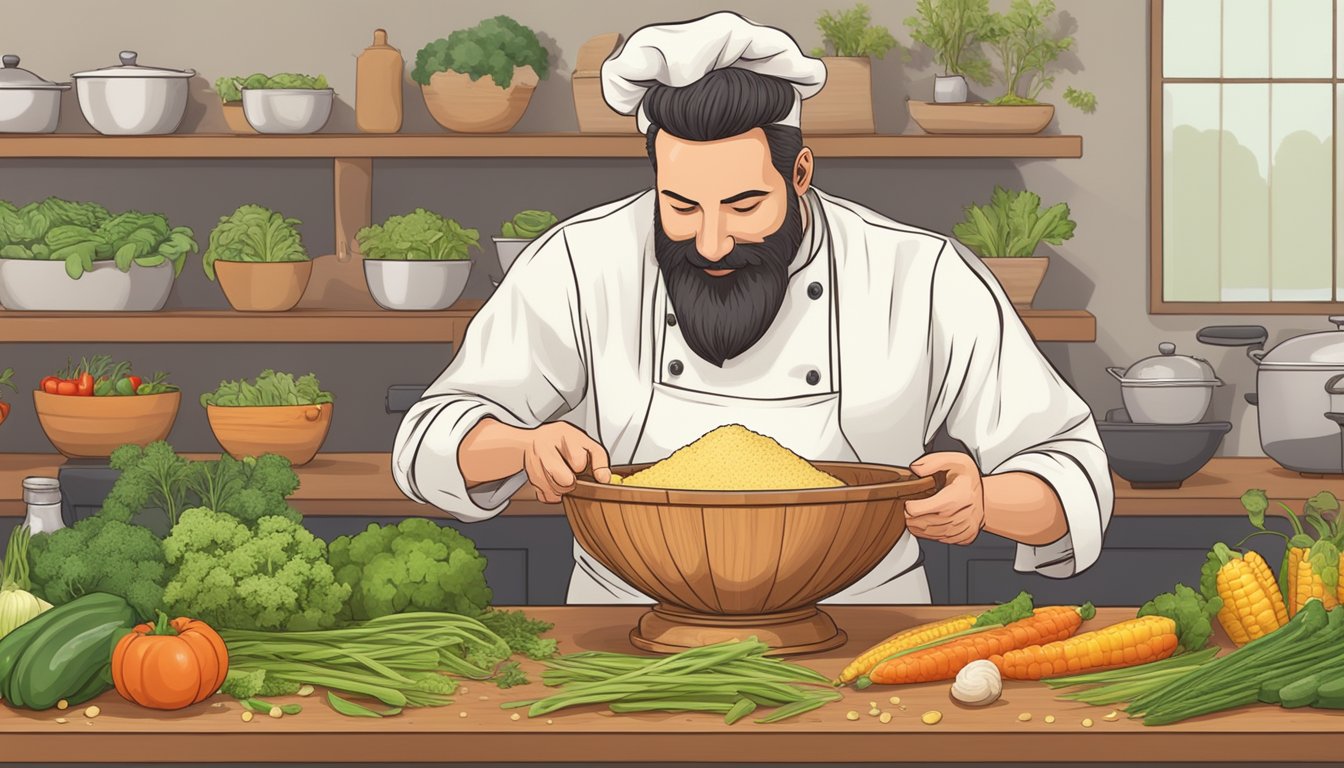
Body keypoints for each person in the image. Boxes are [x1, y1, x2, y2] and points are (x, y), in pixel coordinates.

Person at [392, 12, 1113, 604]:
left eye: (743, 204)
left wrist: (984, 500)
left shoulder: (919, 275)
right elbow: (428, 439)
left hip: (862, 633)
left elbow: (1072, 469)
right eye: (680, 205)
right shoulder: (581, 263)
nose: (711, 241)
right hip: (623, 637)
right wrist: (523, 447)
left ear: (800, 171)